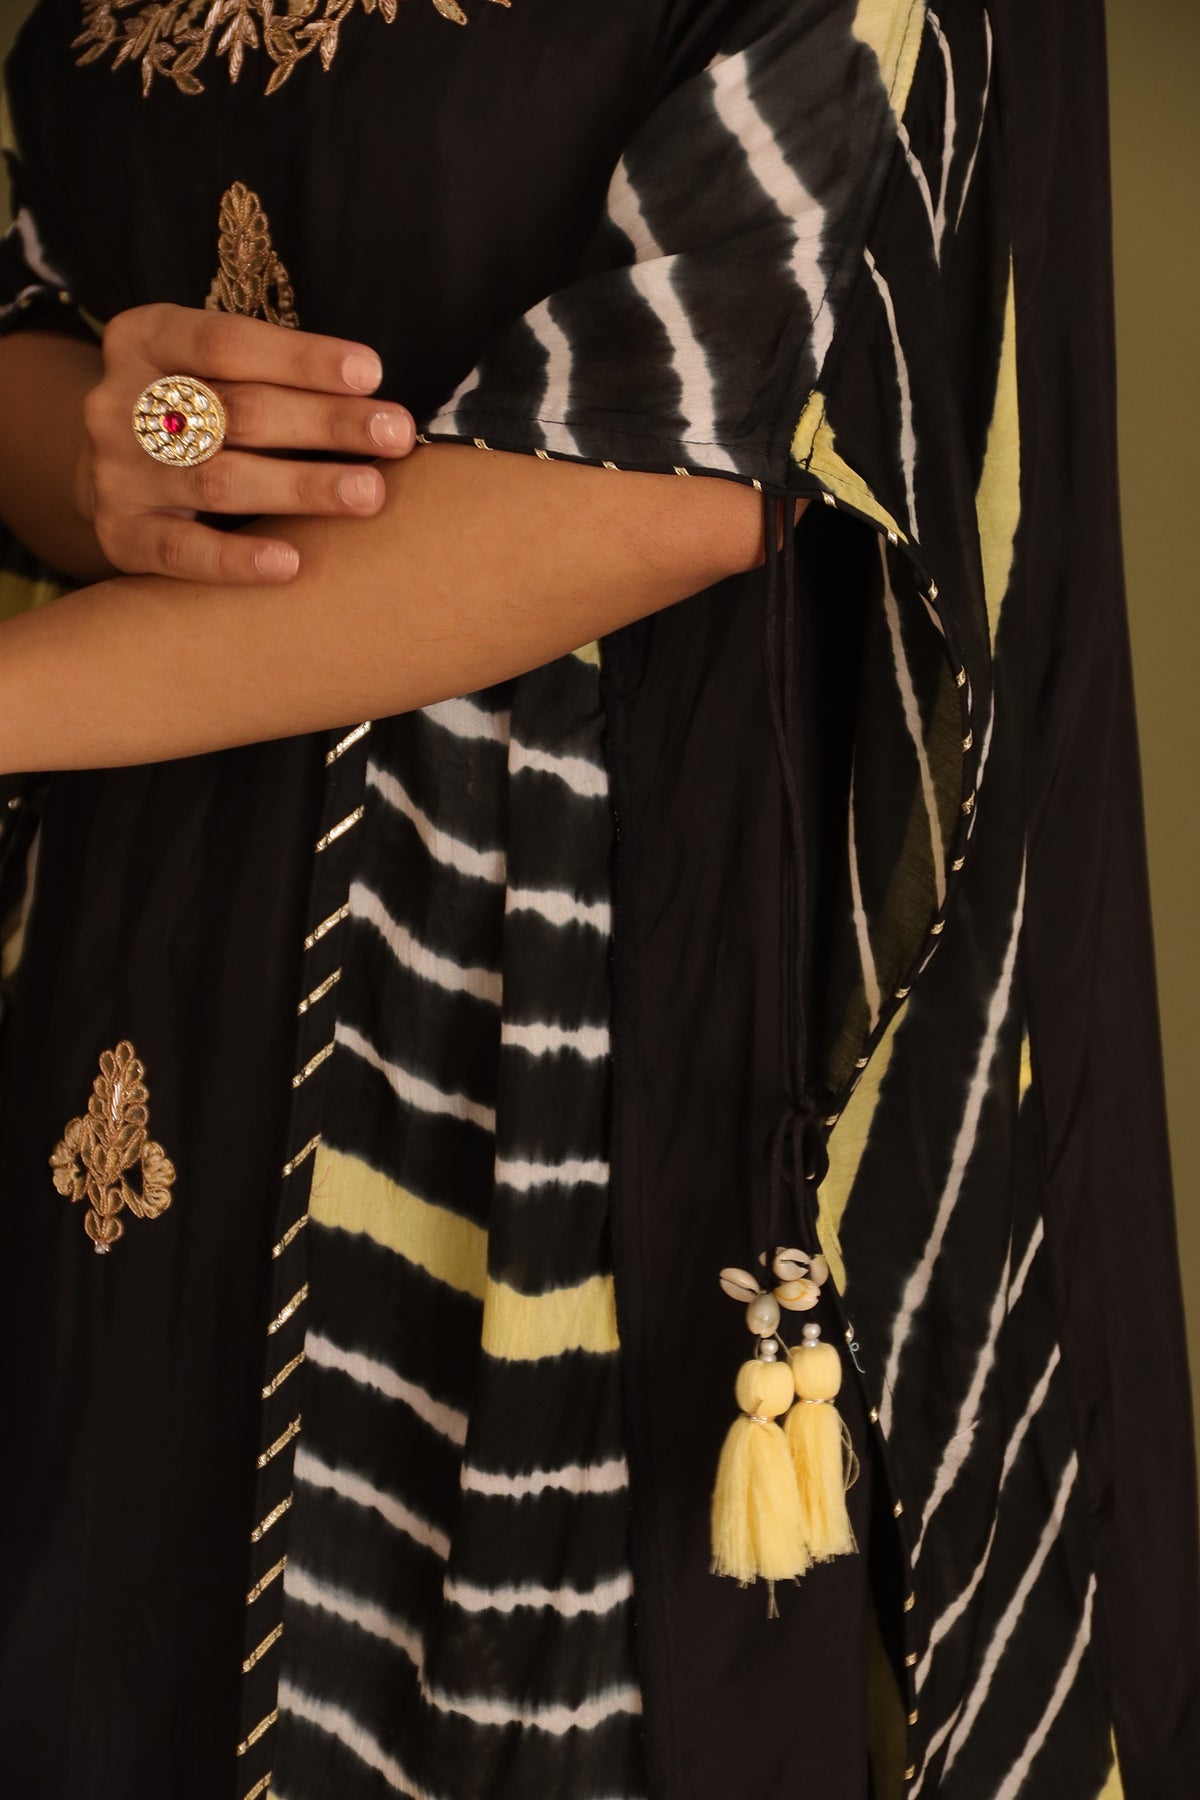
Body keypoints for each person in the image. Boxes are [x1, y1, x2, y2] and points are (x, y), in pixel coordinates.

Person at [0, 1, 1196, 1797]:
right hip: (139, 967)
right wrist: (125, 448)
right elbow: (39, 327)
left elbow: (670, 469)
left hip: (557, 1011)